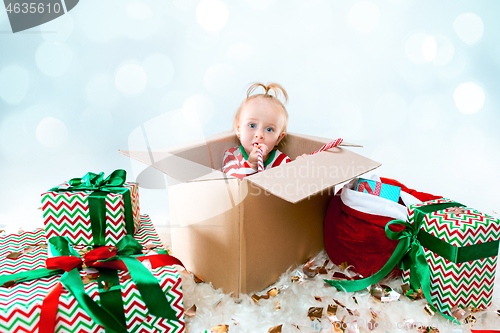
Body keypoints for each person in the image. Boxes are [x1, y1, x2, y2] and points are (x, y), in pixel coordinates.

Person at [222, 83, 292, 179]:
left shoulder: (282, 161)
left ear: (278, 138)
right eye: (252, 125)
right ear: (238, 129)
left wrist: (301, 165)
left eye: (269, 129)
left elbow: (290, 183)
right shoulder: (232, 155)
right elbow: (229, 181)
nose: (259, 135)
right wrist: (251, 164)